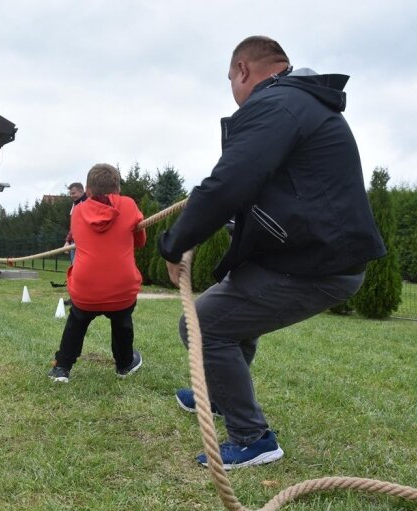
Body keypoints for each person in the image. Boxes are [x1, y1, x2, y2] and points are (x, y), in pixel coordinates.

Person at [158, 36, 387, 470]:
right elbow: (276, 190)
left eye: (230, 79)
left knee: (204, 325)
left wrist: (176, 242)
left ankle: (252, 438)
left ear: (243, 70)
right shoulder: (297, 105)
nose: (232, 90)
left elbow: (229, 182)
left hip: (316, 263)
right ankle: (221, 395)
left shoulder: (278, 105)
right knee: (229, 317)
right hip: (310, 255)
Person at [48, 163, 146, 383]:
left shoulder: (78, 212)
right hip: (122, 289)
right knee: (122, 319)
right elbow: (141, 241)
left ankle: (62, 368)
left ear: (88, 192)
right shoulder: (129, 205)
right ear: (118, 189)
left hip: (85, 290)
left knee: (77, 319)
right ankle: (124, 364)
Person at [63, 182, 87, 263]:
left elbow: (78, 225)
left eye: (73, 193)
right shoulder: (75, 204)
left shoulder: (86, 204)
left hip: (83, 242)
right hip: (75, 240)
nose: (71, 196)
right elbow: (73, 226)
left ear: (81, 191)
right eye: (70, 194)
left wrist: (68, 241)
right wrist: (68, 240)